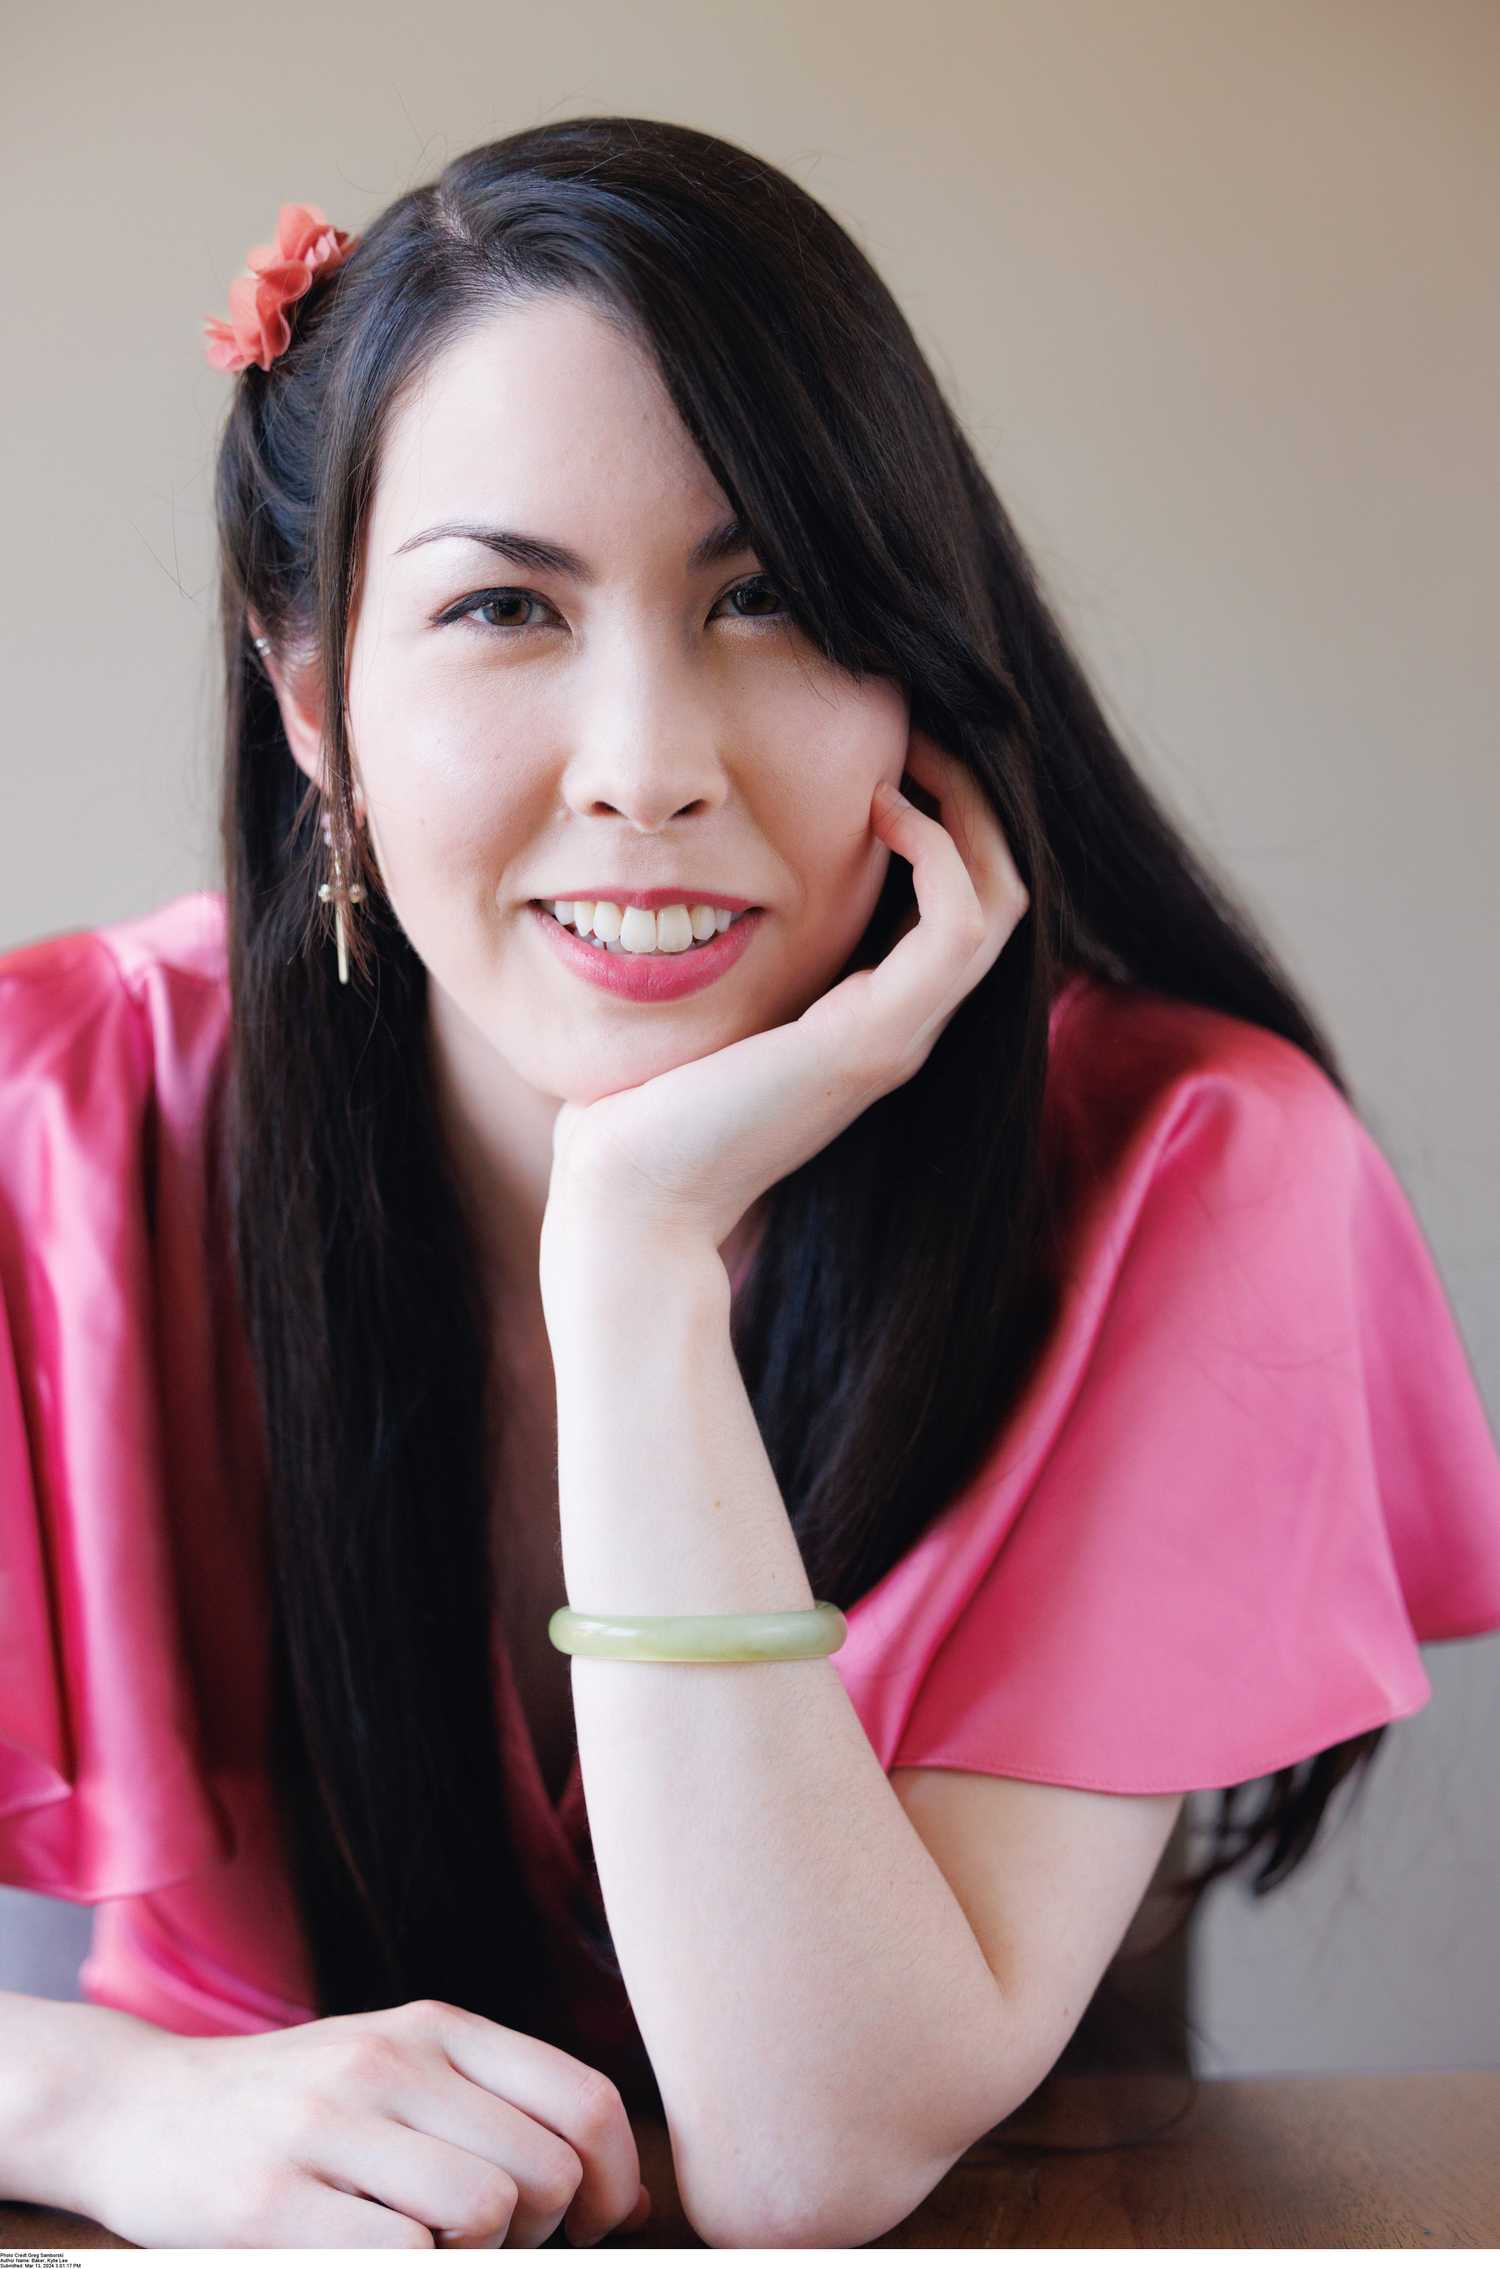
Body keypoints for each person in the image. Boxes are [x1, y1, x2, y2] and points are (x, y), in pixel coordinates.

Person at [3, 115, 1499, 2251]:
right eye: (506, 605)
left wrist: (629, 1262)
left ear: (917, 659)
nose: (650, 759)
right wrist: (102, 2109)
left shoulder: (1192, 1170)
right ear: (314, 695)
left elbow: (813, 2164)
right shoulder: (54, 1125)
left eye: (770, 598)